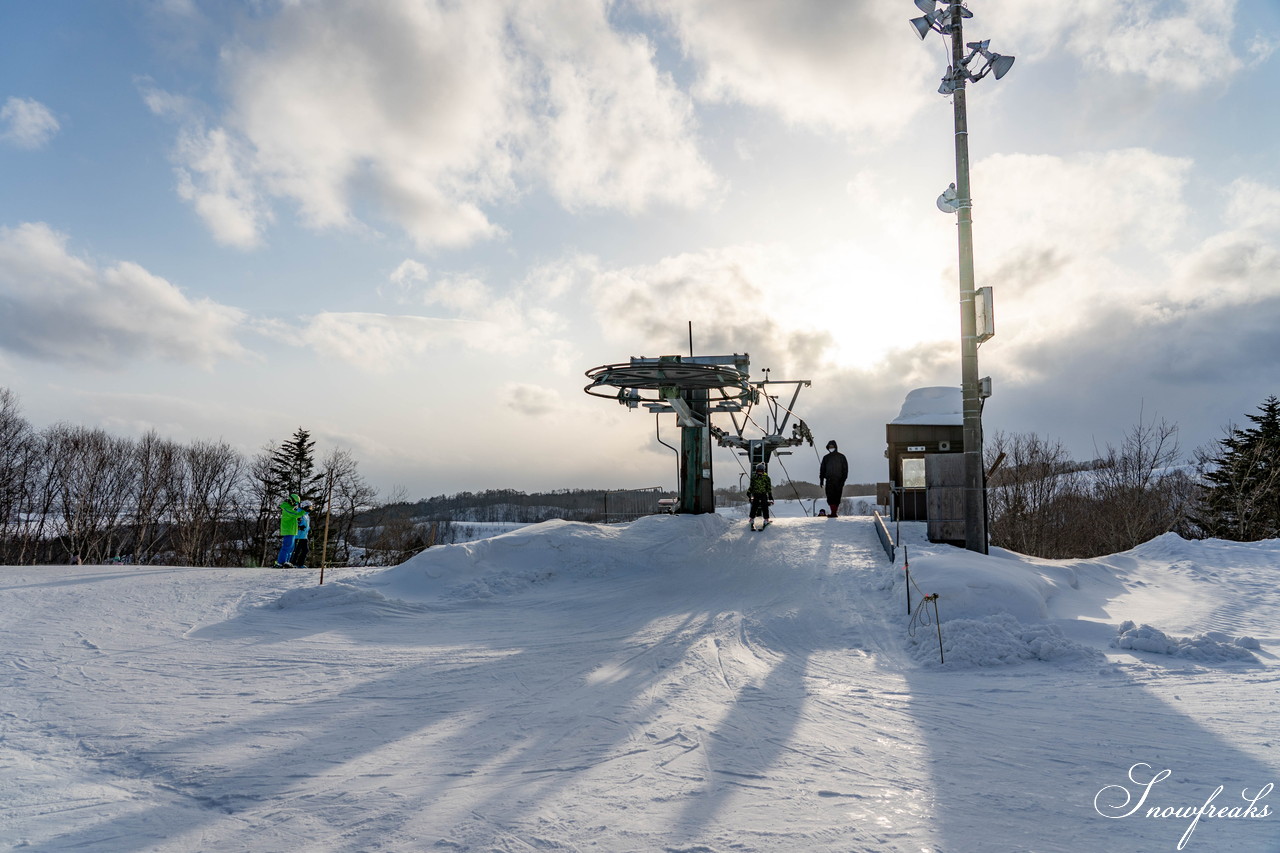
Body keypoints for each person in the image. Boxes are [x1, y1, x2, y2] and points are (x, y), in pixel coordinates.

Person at [275, 493, 306, 568]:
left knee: (291, 548)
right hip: (288, 531)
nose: (295, 505)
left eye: (297, 503)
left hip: (292, 531)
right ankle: (281, 562)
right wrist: (303, 511)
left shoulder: (290, 508)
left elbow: (294, 518)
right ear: (291, 501)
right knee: (287, 546)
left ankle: (287, 562)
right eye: (295, 503)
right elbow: (295, 514)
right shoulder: (286, 508)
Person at [819, 440, 848, 518]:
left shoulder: (841, 457)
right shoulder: (826, 458)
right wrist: (821, 480)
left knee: (837, 497)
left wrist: (843, 480)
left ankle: (834, 512)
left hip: (839, 480)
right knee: (830, 497)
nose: (831, 448)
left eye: (832, 447)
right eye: (829, 447)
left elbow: (845, 470)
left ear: (835, 447)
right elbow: (822, 469)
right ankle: (833, 512)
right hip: (829, 480)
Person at [747, 462, 774, 531]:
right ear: (756, 471)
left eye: (760, 471)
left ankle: (766, 519)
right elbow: (752, 486)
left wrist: (770, 495)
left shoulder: (766, 478)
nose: (759, 472)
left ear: (763, 471)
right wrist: (749, 492)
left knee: (764, 505)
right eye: (758, 471)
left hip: (763, 494)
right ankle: (752, 519)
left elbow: (768, 487)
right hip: (756, 494)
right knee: (754, 506)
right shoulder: (754, 478)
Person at [290, 500, 313, 568]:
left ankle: (300, 563)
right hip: (298, 535)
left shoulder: (306, 515)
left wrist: (309, 529)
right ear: (304, 507)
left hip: (304, 536)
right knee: (297, 550)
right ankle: (293, 563)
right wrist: (299, 527)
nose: (310, 509)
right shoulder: (298, 513)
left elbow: (306, 524)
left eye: (311, 507)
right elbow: (293, 523)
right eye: (309, 507)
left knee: (305, 550)